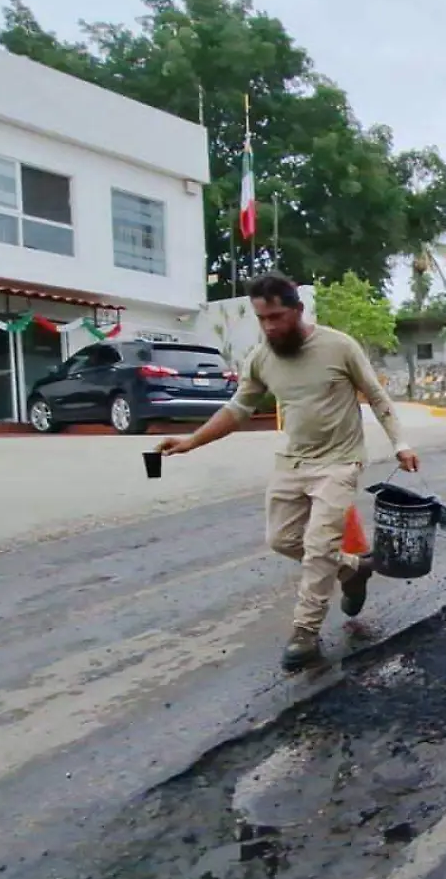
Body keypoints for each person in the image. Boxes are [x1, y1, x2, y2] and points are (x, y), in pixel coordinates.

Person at [157, 273, 420, 672]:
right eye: (262, 319)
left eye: (277, 316)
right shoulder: (261, 358)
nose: (270, 327)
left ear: (298, 310)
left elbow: (377, 395)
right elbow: (237, 410)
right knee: (281, 539)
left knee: (318, 546)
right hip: (293, 461)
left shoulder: (338, 345)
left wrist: (400, 444)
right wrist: (192, 441)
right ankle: (354, 568)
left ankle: (305, 633)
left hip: (339, 460)